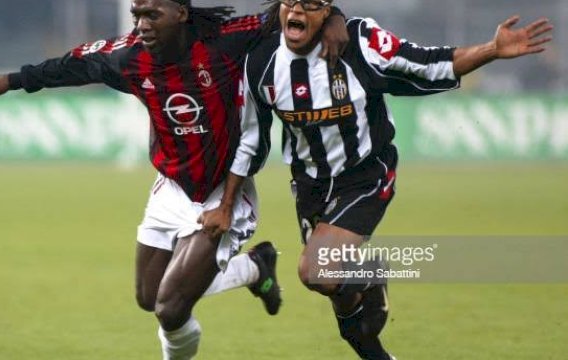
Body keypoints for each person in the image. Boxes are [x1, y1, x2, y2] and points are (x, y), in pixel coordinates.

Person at [0, 0, 350, 359]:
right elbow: (72, 66)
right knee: (150, 298)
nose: (142, 25)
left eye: (152, 14)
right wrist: (14, 79)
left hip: (224, 191)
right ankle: (255, 268)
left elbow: (290, 14)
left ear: (181, 13)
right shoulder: (129, 57)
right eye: (137, 15)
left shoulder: (227, 42)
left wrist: (335, 17)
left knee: (169, 309)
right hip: (170, 188)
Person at [233, 0, 554, 359]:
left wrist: (492, 50)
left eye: (311, 4)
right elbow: (250, 134)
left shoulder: (360, 43)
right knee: (348, 313)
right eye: (290, 1)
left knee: (317, 270)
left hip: (365, 176)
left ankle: (370, 272)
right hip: (310, 186)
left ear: (326, 11)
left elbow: (428, 64)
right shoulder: (261, 59)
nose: (297, 11)